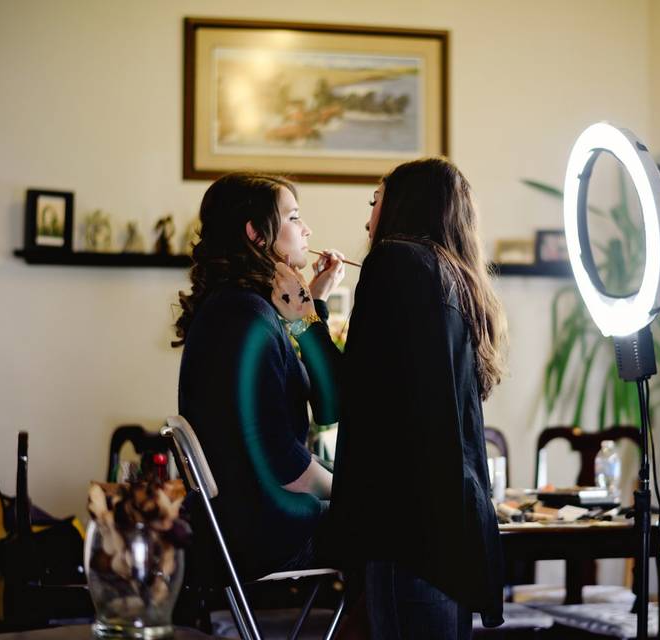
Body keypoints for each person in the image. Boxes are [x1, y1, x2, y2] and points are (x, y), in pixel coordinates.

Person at [309, 157, 508, 638]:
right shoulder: (453, 276)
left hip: (406, 529)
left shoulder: (394, 260)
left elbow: (342, 395)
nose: (368, 217)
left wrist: (307, 313)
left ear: (405, 206)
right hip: (453, 529)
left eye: (376, 201)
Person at [173, 171, 345, 580]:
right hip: (262, 530)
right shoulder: (246, 319)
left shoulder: (245, 308)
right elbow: (280, 458)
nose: (307, 230)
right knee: (396, 531)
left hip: (245, 519)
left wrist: (314, 301)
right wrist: (350, 492)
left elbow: (325, 402)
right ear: (257, 234)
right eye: (294, 218)